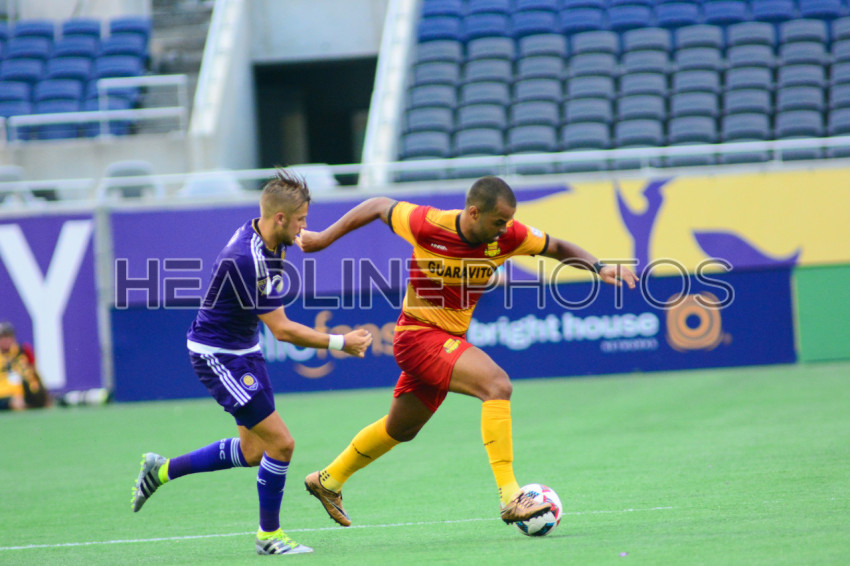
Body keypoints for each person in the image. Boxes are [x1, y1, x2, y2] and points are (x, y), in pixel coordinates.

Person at [296, 176, 638, 527]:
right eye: (498, 221)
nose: (504, 229)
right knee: (496, 385)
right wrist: (323, 238)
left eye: (508, 221)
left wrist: (599, 266)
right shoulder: (429, 224)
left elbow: (557, 246)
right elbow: (377, 205)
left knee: (401, 428)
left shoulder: (509, 236)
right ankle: (511, 496)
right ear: (474, 212)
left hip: (445, 340)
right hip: (417, 336)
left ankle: (328, 479)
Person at [130, 169, 373, 555]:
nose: (304, 227)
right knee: (282, 444)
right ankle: (269, 537)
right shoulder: (249, 258)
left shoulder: (268, 233)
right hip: (216, 354)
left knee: (253, 452)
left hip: (243, 348)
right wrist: (341, 342)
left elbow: (279, 281)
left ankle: (159, 470)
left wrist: (310, 237)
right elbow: (283, 330)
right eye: (300, 220)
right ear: (280, 218)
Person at [0, 321, 49, 411]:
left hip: (25, 392)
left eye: (8, 336)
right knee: (16, 403)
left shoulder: (22, 350)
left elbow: (34, 371)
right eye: (2, 337)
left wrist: (44, 393)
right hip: (4, 394)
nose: (5, 340)